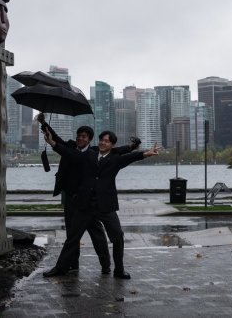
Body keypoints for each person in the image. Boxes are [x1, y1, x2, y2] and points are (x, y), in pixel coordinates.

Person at [42, 129, 159, 279]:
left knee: (118, 237)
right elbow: (69, 154)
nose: (103, 143)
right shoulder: (89, 155)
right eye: (102, 140)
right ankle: (60, 268)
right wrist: (53, 143)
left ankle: (119, 270)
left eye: (107, 141)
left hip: (106, 206)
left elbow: (132, 157)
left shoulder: (115, 159)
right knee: (72, 238)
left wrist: (146, 153)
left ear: (112, 145)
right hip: (85, 205)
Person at [37, 113, 138, 274]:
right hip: (71, 198)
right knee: (72, 234)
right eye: (79, 135)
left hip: (89, 200)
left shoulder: (93, 151)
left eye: (84, 136)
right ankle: (72, 264)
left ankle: (106, 265)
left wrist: (131, 147)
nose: (80, 138)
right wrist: (44, 124)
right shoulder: (70, 146)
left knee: (97, 235)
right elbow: (56, 140)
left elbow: (115, 151)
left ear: (90, 140)